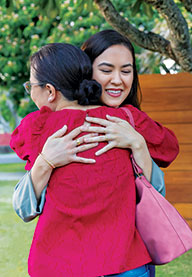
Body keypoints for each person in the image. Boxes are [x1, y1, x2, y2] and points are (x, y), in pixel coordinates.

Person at [10, 43, 167, 276]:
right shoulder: (125, 118)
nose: (30, 92)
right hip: (125, 262)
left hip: (60, 264)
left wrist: (45, 160)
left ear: (50, 91)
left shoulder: (37, 126)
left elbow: (23, 208)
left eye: (31, 86)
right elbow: (169, 148)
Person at [13, 29, 178, 221]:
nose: (117, 80)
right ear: (84, 72)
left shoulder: (132, 120)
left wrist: (138, 144)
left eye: (126, 71)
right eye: (106, 70)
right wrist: (46, 161)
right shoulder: (45, 127)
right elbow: (23, 209)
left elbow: (156, 197)